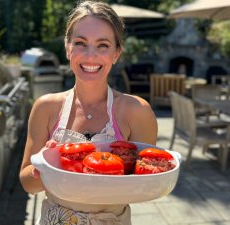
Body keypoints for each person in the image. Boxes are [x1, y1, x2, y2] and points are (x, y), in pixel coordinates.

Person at [19, 1, 158, 224]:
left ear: (116, 53)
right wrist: (46, 167)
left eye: (102, 45)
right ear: (67, 48)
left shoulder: (137, 112)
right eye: (80, 43)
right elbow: (28, 183)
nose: (90, 55)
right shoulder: (45, 107)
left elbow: (146, 185)